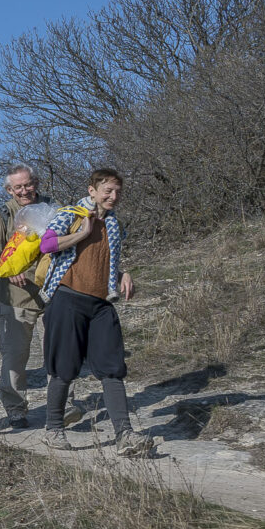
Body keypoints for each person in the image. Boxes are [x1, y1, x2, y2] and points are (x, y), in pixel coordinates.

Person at [38, 168, 154, 458]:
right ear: (92, 191)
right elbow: (47, 244)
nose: (113, 196)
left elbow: (106, 260)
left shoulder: (114, 224)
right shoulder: (71, 214)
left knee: (112, 368)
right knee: (64, 368)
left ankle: (124, 435)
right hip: (67, 297)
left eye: (117, 192)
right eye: (107, 191)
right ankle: (53, 429)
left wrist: (123, 274)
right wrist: (82, 233)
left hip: (101, 303)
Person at [0, 165, 49, 423]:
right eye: (18, 187)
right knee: (15, 356)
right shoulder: (3, 214)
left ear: (36, 182)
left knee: (59, 353)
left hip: (52, 293)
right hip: (15, 296)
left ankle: (64, 405)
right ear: (9, 190)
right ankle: (16, 409)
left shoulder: (52, 208)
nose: (24, 190)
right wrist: (5, 266)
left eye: (28, 184)